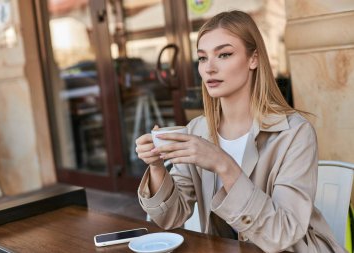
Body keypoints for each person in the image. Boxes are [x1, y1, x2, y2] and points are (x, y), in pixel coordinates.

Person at [135, 10, 345, 253]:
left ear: (253, 59)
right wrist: (157, 166)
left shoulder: (294, 133)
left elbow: (282, 233)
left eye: (224, 54)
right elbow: (171, 218)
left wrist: (223, 164)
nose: (209, 68)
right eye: (202, 58)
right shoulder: (198, 130)